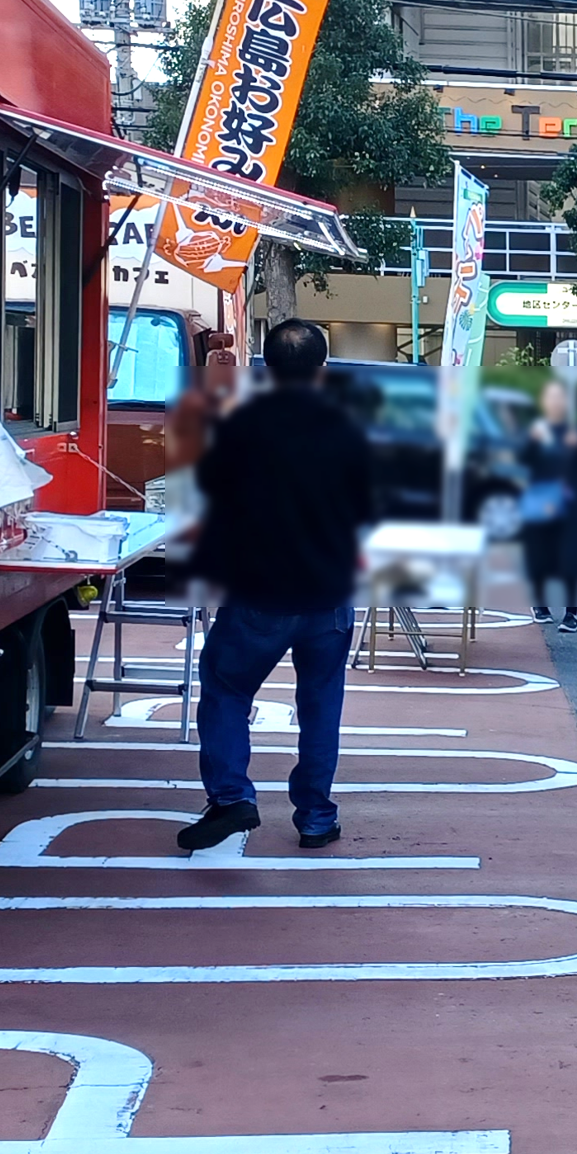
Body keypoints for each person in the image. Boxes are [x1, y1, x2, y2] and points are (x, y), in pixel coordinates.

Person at [180, 316, 375, 855]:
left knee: (226, 691)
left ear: (266, 367)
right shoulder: (349, 428)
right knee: (320, 706)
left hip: (259, 592)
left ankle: (232, 796)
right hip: (329, 593)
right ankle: (315, 817)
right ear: (322, 369)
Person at [518, 377, 577, 631]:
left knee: (571, 557)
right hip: (541, 500)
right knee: (539, 553)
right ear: (544, 402)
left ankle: (571, 613)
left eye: (559, 397)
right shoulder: (537, 430)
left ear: (565, 402)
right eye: (550, 397)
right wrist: (532, 442)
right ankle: (540, 605)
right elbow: (522, 458)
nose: (554, 402)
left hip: (571, 502)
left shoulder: (575, 431)